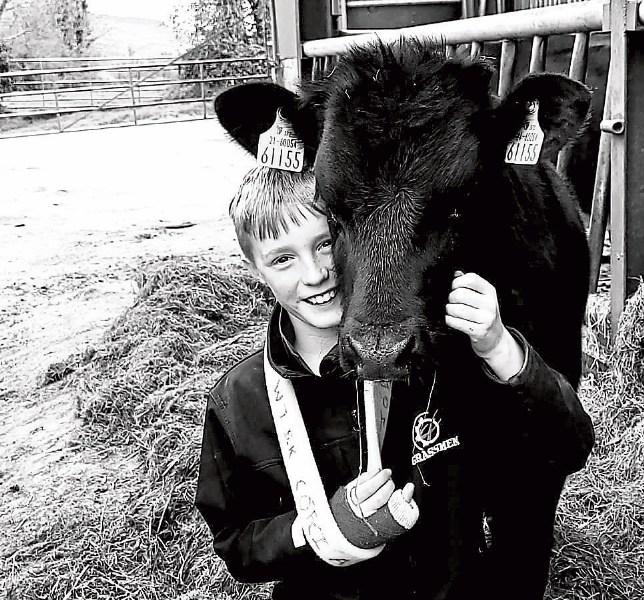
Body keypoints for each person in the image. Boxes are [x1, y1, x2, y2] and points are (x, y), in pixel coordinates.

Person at [195, 163, 594, 599]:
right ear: (255, 269)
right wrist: (316, 528)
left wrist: (500, 347)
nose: (314, 274)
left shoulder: (437, 361)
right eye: (283, 258)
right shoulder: (238, 402)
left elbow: (567, 447)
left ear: (359, 240)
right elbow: (237, 545)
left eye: (326, 245)